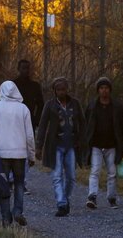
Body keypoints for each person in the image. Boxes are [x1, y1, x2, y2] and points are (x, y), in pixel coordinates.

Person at [0, 80, 35, 227]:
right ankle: (18, 211)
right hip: (20, 155)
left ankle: (6, 217)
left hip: (1, 155)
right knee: (19, 184)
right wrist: (31, 155)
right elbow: (30, 135)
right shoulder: (23, 109)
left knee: (3, 185)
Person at [35, 77, 85, 217]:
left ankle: (66, 198)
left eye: (63, 89)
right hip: (55, 145)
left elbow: (82, 122)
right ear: (54, 91)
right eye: (58, 89)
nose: (61, 92)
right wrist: (39, 146)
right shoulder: (50, 105)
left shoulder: (75, 104)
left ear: (67, 89)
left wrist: (82, 140)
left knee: (71, 176)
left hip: (71, 145)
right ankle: (61, 204)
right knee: (57, 175)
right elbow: (43, 125)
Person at [83, 77, 123, 210]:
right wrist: (84, 142)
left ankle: (111, 198)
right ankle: (92, 196)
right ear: (98, 90)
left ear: (110, 90)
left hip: (112, 145)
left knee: (112, 172)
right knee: (95, 171)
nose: (104, 91)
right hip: (96, 145)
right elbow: (86, 125)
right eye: (101, 88)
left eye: (106, 88)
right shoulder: (92, 106)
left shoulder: (117, 106)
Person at [12, 59, 43, 196]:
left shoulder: (35, 86)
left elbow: (41, 104)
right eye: (23, 68)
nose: (26, 71)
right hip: (14, 123)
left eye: (27, 68)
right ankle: (12, 179)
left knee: (26, 153)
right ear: (18, 68)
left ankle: (22, 183)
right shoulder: (13, 85)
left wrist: (36, 119)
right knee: (13, 151)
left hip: (29, 122)